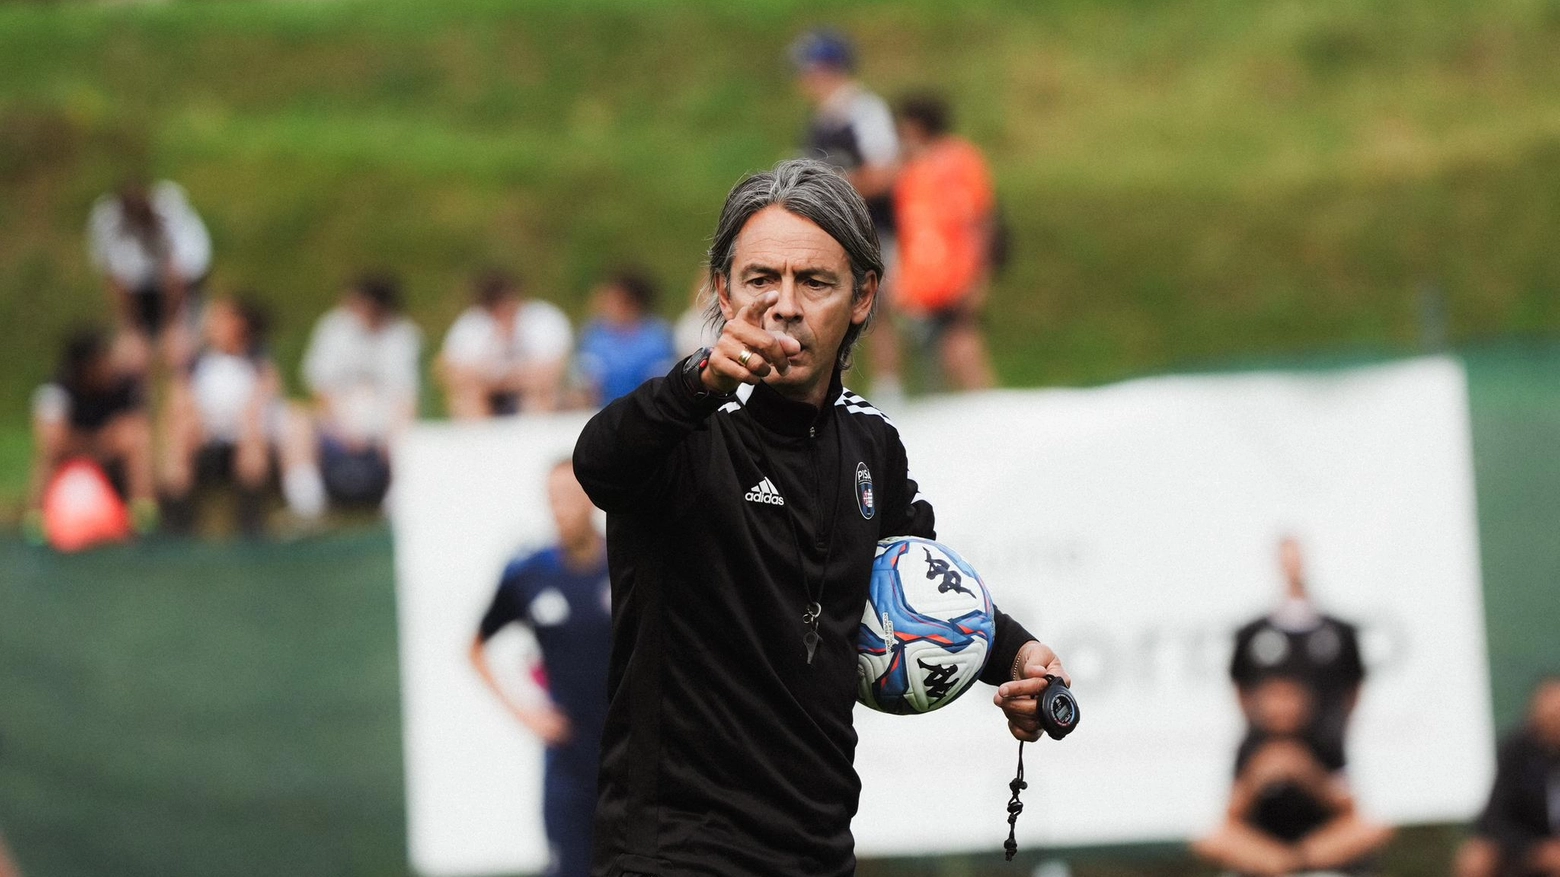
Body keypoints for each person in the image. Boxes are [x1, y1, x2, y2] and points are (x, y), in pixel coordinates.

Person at [572, 158, 1068, 877]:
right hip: (674, 853)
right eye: (760, 280)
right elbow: (599, 462)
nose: (784, 305)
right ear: (722, 290)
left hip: (818, 852)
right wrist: (697, 380)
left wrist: (1016, 657)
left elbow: (915, 579)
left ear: (863, 297)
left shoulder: (871, 442)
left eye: (814, 282)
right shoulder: (680, 426)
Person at [469, 460, 612, 877]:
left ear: (593, 499)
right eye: (553, 499)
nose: (561, 509)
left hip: (632, 757)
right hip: (569, 763)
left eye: (570, 497)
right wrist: (526, 713)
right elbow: (475, 649)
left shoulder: (629, 564)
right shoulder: (528, 574)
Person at [790, 28, 906, 402]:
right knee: (834, 304)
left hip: (871, 226)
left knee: (878, 304)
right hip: (834, 229)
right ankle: (839, 384)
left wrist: (836, 185)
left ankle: (890, 384)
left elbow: (886, 170)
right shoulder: (821, 119)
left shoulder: (863, 110)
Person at [1193, 676, 1394, 875]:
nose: (1282, 707)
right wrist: (1255, 780)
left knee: (1369, 829)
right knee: (1212, 839)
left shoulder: (1325, 739)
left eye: (1289, 698)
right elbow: (1231, 818)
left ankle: (1297, 863)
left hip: (1317, 843)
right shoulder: (1250, 745)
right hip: (1265, 844)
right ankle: (1281, 864)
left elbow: (1349, 810)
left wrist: (1309, 775)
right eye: (1275, 698)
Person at [161, 296, 300, 536]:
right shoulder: (196, 364)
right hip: (206, 434)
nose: (211, 325)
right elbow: (179, 400)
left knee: (252, 435)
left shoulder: (258, 362)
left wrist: (246, 422)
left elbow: (263, 400)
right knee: (180, 431)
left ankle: (251, 520)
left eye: (219, 319)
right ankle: (176, 522)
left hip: (245, 435)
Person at [1230, 535, 1366, 772]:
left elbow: (1353, 688)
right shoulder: (1252, 634)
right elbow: (1240, 685)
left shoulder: (1338, 633)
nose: (1286, 708)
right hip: (1266, 756)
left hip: (1325, 751)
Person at [892, 92, 998, 391]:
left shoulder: (959, 160)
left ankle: (988, 414)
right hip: (923, 283)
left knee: (963, 348)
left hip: (956, 274)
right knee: (929, 360)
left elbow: (980, 218)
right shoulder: (910, 170)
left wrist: (979, 274)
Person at [294, 273, 421, 509]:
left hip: (383, 419)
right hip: (339, 417)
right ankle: (306, 503)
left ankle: (400, 498)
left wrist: (394, 436)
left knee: (408, 431)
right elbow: (320, 387)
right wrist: (341, 427)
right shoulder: (333, 327)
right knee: (297, 421)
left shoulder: (403, 334)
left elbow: (406, 397)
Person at [26, 328, 157, 542]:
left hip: (108, 456)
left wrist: (115, 438)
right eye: (101, 361)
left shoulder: (123, 387)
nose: (108, 366)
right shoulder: (55, 391)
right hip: (70, 459)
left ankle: (143, 515)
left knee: (136, 438)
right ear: (85, 366)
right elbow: (52, 440)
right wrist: (97, 441)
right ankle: (36, 518)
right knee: (47, 454)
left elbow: (139, 422)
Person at [86, 179, 212, 371]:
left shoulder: (173, 212)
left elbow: (176, 276)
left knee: (181, 353)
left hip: (182, 288)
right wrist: (129, 329)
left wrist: (174, 326)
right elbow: (115, 279)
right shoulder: (106, 219)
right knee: (131, 358)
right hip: (138, 291)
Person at [1456, 676, 1560, 877]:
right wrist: (1535, 850)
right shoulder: (1516, 752)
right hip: (1528, 845)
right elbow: (1496, 818)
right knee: (1476, 857)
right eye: (1550, 716)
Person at [438, 269, 572, 418]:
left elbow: (550, 372)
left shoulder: (543, 318)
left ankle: (536, 437)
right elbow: (448, 371)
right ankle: (478, 439)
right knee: (466, 397)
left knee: (539, 392)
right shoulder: (473, 324)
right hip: (492, 399)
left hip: (536, 394)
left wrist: (497, 380)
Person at [573, 269, 676, 407]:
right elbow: (583, 388)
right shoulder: (595, 336)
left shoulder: (656, 339)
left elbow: (660, 390)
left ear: (631, 303)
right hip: (601, 415)